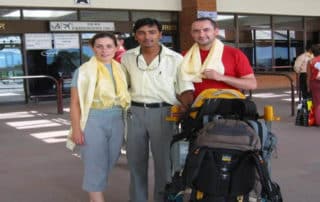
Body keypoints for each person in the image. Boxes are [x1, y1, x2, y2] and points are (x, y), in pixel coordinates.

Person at [121, 18, 194, 202]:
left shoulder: (175, 59)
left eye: (152, 32)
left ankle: (163, 199)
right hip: (134, 113)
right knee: (136, 163)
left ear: (160, 34)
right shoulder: (127, 57)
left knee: (164, 164)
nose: (147, 37)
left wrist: (187, 111)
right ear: (136, 36)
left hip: (164, 113)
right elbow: (122, 87)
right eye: (142, 33)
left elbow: (185, 88)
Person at [68, 32, 130, 202]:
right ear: (92, 47)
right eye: (99, 46)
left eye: (109, 46)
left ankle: (94, 193)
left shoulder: (121, 69)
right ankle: (97, 198)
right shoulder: (83, 71)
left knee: (111, 159)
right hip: (93, 120)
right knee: (94, 163)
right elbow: (74, 103)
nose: (104, 50)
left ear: (116, 47)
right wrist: (76, 129)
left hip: (117, 118)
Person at [180, 17, 257, 102]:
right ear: (192, 34)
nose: (201, 35)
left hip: (230, 107)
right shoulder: (184, 57)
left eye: (206, 30)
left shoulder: (234, 54)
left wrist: (221, 77)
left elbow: (252, 84)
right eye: (196, 31)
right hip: (196, 108)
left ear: (216, 31)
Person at [308, 44, 320, 126]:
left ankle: (318, 121)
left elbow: (308, 76)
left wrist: (308, 86)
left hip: (314, 83)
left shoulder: (311, 61)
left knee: (317, 103)